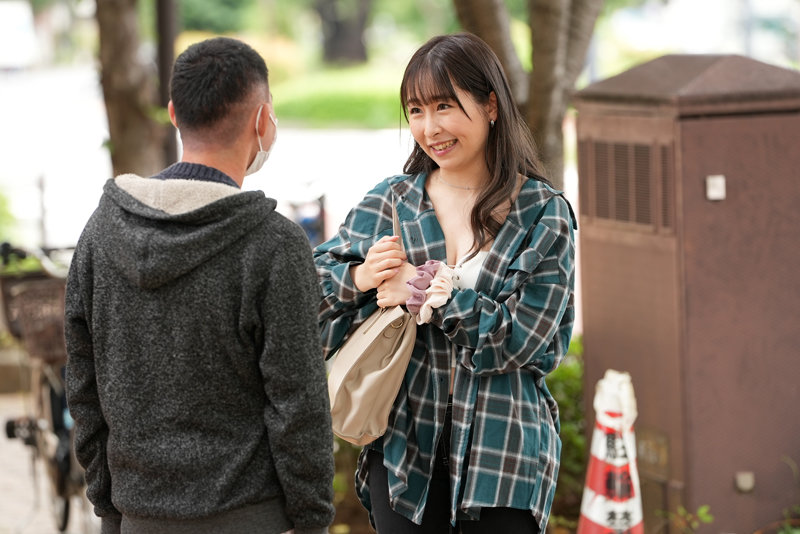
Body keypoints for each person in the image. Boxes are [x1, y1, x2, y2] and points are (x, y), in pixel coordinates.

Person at [64, 37, 335, 534]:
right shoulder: (273, 244)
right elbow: (299, 404)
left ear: (172, 113)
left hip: (137, 515)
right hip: (250, 515)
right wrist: (312, 517)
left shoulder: (100, 232)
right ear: (262, 122)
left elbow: (83, 385)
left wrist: (109, 505)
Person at [314, 33, 576, 533]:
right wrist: (362, 276)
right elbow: (307, 293)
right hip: (404, 449)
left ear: (491, 105)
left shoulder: (543, 215)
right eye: (415, 111)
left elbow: (524, 340)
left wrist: (424, 292)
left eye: (444, 106)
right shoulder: (392, 201)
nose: (429, 128)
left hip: (502, 456)